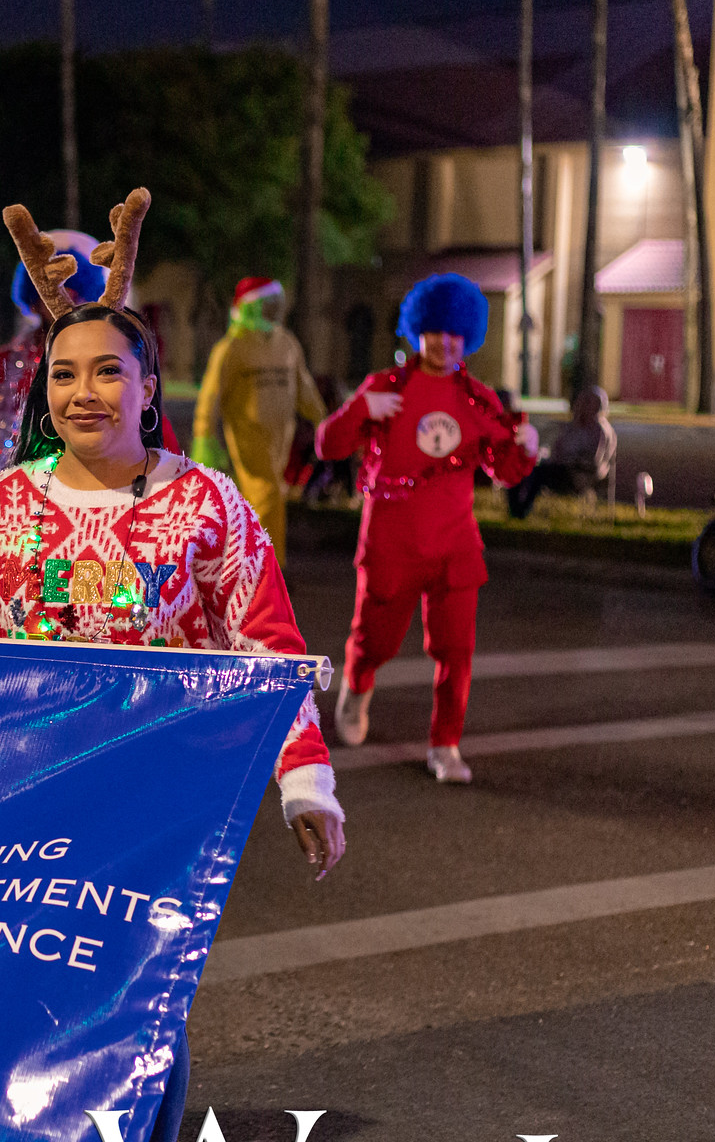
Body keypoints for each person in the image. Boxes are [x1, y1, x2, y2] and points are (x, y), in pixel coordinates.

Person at [0, 190, 344, 1142]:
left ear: (148, 385)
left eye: (107, 372)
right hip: (23, 800)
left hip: (165, 805)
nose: (83, 393)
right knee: (10, 1007)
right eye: (64, 375)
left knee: (137, 1013)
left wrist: (301, 780)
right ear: (41, 386)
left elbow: (265, 644)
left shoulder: (206, 507)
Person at [316, 273, 539, 783]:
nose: (444, 342)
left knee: (456, 651)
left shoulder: (480, 400)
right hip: (392, 540)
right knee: (376, 641)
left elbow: (502, 470)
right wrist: (359, 410)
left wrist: (524, 448)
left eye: (455, 333)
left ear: (469, 336)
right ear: (417, 331)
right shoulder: (385, 388)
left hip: (454, 546)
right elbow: (328, 446)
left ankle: (446, 744)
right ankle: (357, 682)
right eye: (434, 331)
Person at [0, 230, 181, 507]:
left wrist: (173, 487)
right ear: (33, 299)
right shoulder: (4, 361)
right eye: (63, 374)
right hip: (8, 502)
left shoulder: (115, 352)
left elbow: (148, 422)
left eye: (73, 292)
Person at [192, 276, 328, 558]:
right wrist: (204, 435)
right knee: (265, 494)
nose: (275, 309)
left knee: (272, 493)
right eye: (268, 303)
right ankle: (265, 565)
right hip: (247, 433)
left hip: (282, 435)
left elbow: (304, 388)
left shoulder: (287, 343)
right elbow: (211, 395)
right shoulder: (231, 348)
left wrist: (324, 421)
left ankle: (259, 562)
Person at [506, 383, 616, 519]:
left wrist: (568, 460)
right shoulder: (575, 426)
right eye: (581, 401)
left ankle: (520, 511)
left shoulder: (599, 429)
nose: (581, 405)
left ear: (598, 405)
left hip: (578, 476)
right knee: (523, 467)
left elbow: (593, 460)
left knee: (538, 474)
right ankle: (516, 508)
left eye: (587, 402)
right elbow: (557, 448)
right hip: (561, 469)